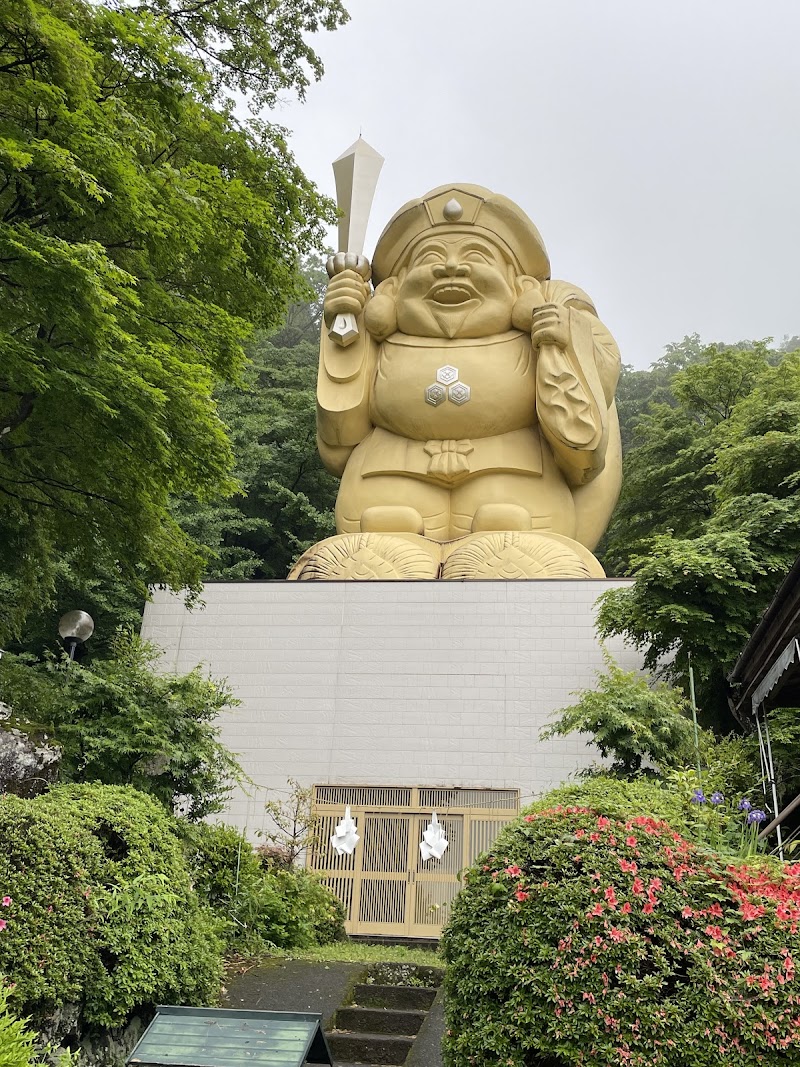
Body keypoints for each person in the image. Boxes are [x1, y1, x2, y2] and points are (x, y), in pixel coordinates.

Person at [311, 184, 622, 577]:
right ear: (392, 289)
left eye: (476, 256)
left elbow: (583, 445)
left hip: (515, 474)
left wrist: (562, 339)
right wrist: (345, 327)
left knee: (514, 552)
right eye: (430, 257)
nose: (451, 268)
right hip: (388, 473)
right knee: (371, 553)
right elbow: (341, 436)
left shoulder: (534, 330)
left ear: (521, 287)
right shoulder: (382, 339)